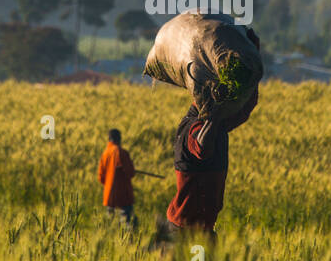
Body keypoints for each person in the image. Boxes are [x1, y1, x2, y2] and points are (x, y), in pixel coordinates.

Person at [156, 85, 258, 244]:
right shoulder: (193, 126)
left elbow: (243, 112)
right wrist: (216, 112)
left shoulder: (215, 126)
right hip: (184, 232)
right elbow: (201, 148)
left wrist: (253, 79)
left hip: (200, 230)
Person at [97, 128, 136, 226]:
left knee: (110, 224)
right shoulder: (122, 153)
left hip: (109, 196)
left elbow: (101, 178)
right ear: (119, 139)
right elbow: (131, 173)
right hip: (123, 195)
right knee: (127, 224)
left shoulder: (105, 154)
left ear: (109, 139)